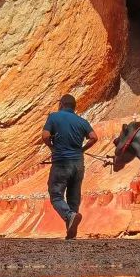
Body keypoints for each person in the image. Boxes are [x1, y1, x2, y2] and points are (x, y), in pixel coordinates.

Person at [43, 93, 97, 238]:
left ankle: (68, 215)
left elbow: (45, 136)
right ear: (74, 107)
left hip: (61, 162)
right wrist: (82, 149)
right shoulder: (82, 121)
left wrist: (52, 148)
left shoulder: (53, 117)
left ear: (61, 104)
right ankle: (71, 232)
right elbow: (94, 137)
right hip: (78, 164)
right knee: (74, 198)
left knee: (56, 195)